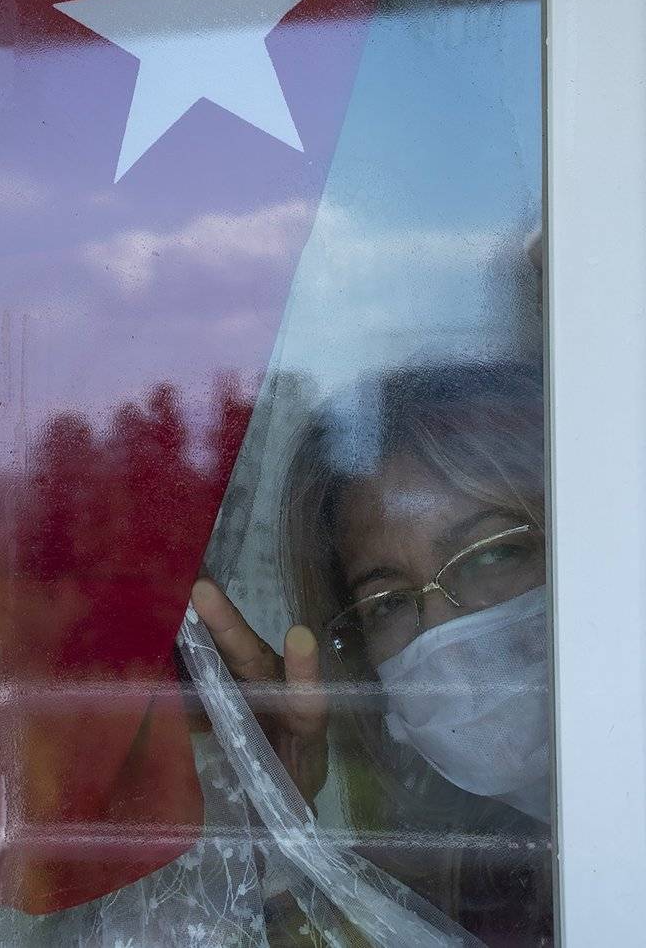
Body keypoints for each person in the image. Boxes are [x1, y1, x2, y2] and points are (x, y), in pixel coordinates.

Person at [193, 360, 552, 947]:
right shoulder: (434, 894)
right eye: (388, 604)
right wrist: (265, 824)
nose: (444, 637)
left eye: (492, 553)